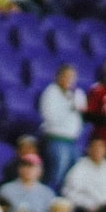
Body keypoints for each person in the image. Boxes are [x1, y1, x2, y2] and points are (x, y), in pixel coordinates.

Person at [38, 63, 87, 193]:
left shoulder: (76, 94)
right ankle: (49, 196)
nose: (69, 80)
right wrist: (70, 106)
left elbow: (81, 115)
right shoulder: (51, 92)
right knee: (56, 173)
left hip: (72, 140)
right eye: (66, 76)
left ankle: (64, 201)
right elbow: (50, 116)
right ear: (58, 76)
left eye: (72, 77)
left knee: (73, 175)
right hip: (56, 139)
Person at [61, 135, 106, 212]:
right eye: (95, 147)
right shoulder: (80, 167)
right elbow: (69, 192)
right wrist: (88, 206)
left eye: (101, 147)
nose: (98, 150)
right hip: (86, 210)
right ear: (89, 149)